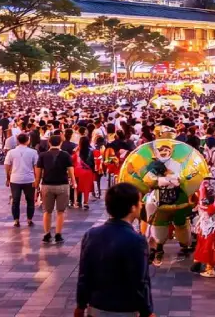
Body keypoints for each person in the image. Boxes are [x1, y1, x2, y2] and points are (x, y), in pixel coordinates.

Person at [75, 182, 153, 317]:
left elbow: (84, 275)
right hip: (125, 309)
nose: (142, 205)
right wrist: (147, 311)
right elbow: (140, 281)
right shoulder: (137, 241)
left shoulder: (91, 235)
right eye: (139, 202)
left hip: (96, 307)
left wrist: (81, 305)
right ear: (132, 208)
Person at [36, 133, 74, 245]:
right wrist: (74, 182)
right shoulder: (66, 155)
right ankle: (58, 235)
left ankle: (47, 234)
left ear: (49, 142)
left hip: (47, 185)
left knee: (47, 211)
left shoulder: (43, 155)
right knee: (60, 212)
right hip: (62, 184)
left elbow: (38, 172)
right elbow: (70, 169)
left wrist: (37, 184)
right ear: (61, 143)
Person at [4, 132, 38, 227]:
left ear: (18, 141)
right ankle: (29, 219)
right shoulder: (33, 152)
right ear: (28, 141)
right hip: (29, 179)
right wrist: (37, 179)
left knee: (15, 200)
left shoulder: (11, 152)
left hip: (15, 179)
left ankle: (16, 220)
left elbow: (7, 165)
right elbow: (36, 167)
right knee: (30, 200)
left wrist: (7, 177)